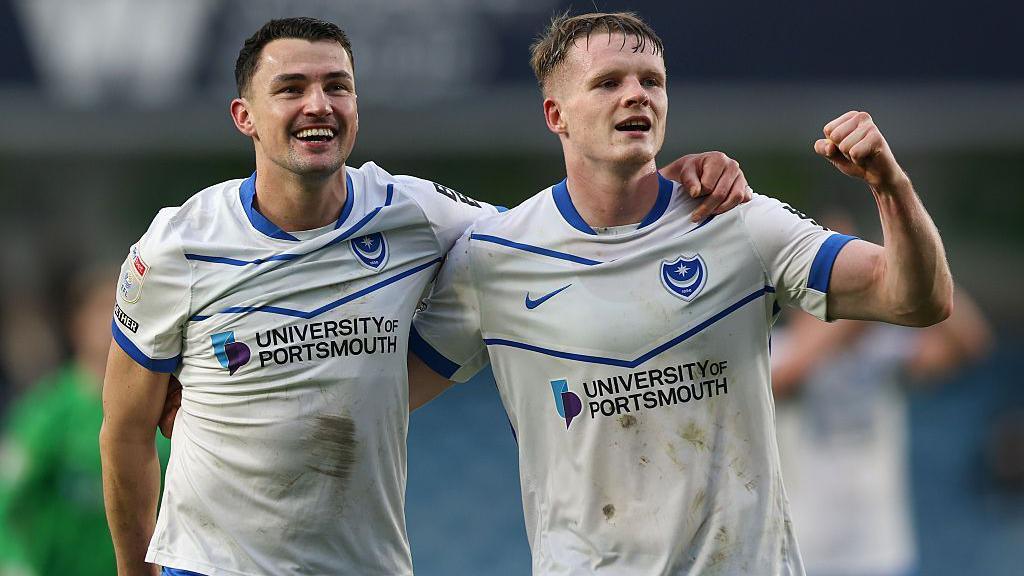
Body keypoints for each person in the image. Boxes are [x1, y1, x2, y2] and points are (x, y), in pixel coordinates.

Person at [100, 16, 751, 576]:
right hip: (212, 564)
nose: (318, 105)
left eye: (337, 87)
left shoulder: (413, 213)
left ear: (356, 107)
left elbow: (550, 243)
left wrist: (668, 187)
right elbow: (126, 431)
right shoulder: (178, 247)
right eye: (291, 89)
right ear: (245, 116)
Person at [408, 11, 953, 575]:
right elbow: (386, 394)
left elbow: (918, 300)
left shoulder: (739, 223)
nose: (636, 95)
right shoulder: (493, 258)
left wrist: (890, 186)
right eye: (608, 82)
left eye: (652, 81)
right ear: (556, 115)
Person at [771, 213, 992, 576]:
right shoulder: (776, 348)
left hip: (878, 551)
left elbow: (970, 344)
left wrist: (913, 267)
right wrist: (853, 312)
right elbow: (784, 380)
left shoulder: (883, 351)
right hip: (804, 552)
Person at [0, 267, 171, 576]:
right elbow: (6, 501)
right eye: (105, 308)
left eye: (126, 308)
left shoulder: (162, 409)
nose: (118, 320)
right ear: (77, 323)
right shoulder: (47, 413)